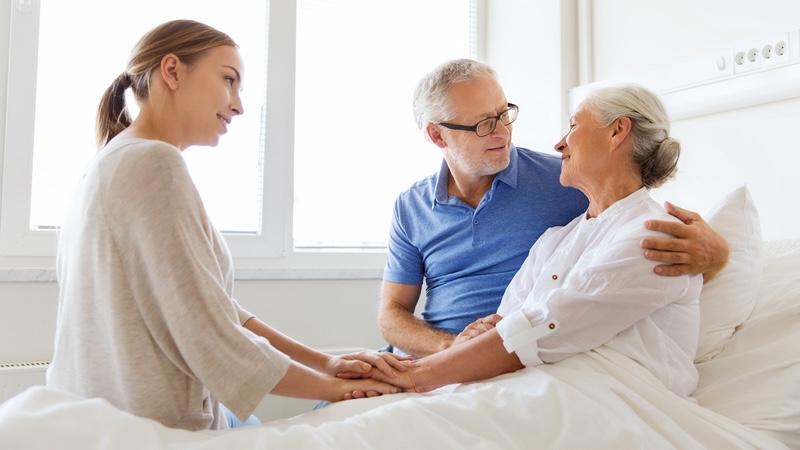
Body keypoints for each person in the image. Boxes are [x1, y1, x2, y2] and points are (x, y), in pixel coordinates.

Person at [46, 19, 402, 432]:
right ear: (173, 71)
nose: (238, 105)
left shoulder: (109, 160)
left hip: (93, 415)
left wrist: (326, 362)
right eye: (229, 80)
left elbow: (209, 303)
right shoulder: (153, 163)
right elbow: (207, 333)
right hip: (149, 426)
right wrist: (334, 388)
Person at [378, 59, 728, 358]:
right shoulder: (411, 207)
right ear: (438, 136)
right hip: (434, 355)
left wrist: (718, 253)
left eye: (504, 114)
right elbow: (392, 316)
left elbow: (635, 216)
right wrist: (450, 349)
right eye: (484, 124)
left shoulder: (566, 179)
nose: (503, 132)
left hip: (503, 357)